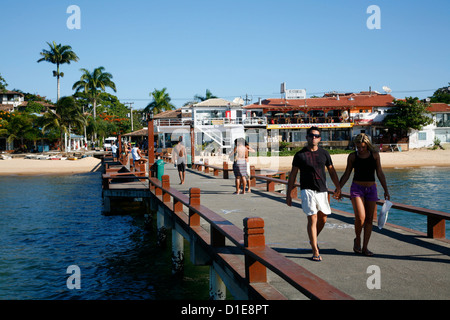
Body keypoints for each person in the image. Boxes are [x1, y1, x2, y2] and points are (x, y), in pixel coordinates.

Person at [286, 126, 341, 262]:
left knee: (323, 218)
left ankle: (313, 238)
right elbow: (293, 175)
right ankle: (315, 250)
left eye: (316, 136)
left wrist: (338, 187)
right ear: (307, 137)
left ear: (320, 138)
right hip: (307, 190)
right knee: (313, 218)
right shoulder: (300, 155)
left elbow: (332, 171)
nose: (313, 138)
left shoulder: (324, 154)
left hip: (322, 189)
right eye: (311, 135)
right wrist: (289, 194)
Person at [338, 133, 390, 256]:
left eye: (363, 147)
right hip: (357, 188)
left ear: (367, 145)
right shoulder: (352, 157)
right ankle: (357, 239)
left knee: (369, 219)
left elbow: (380, 173)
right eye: (358, 147)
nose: (360, 149)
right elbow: (347, 174)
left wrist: (386, 190)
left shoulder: (375, 156)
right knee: (360, 217)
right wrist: (338, 188)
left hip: (372, 188)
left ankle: (365, 247)